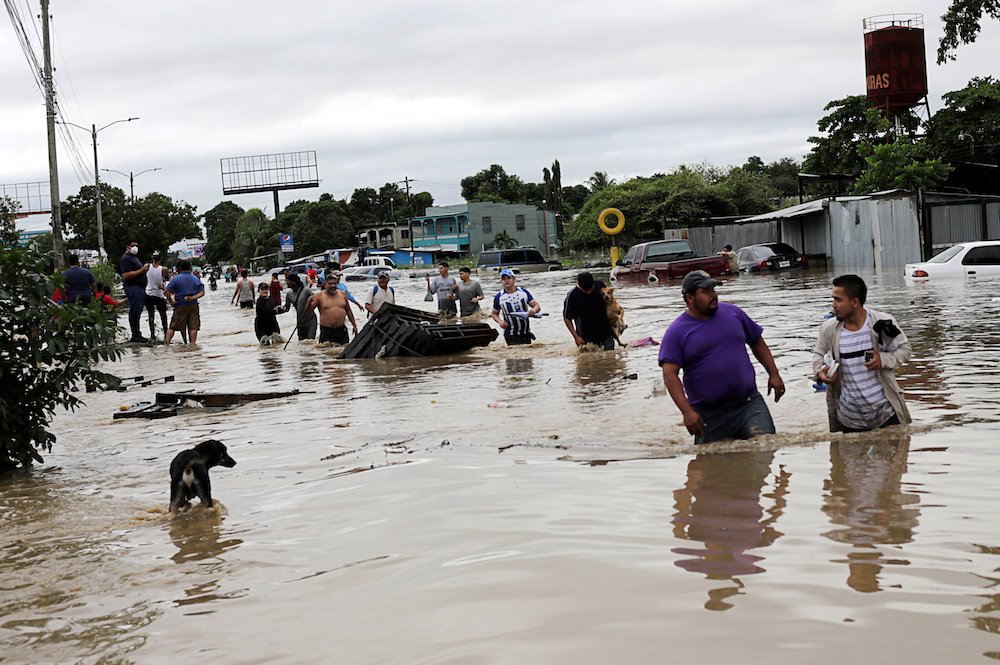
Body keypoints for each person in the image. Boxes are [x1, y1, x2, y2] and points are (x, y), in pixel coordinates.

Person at [659, 270, 785, 444]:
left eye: (714, 289)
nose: (714, 295)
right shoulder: (677, 332)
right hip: (708, 415)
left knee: (764, 448)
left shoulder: (733, 313)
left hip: (748, 404)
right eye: (706, 291)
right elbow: (670, 375)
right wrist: (687, 412)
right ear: (690, 297)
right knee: (712, 465)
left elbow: (757, 342)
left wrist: (774, 374)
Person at [812, 274, 911, 432]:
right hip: (849, 420)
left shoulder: (881, 323)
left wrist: (883, 359)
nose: (833, 305)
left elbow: (905, 350)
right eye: (833, 299)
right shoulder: (829, 329)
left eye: (838, 300)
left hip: (886, 415)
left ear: (855, 302)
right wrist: (820, 372)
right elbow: (818, 354)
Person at [562, 271, 615, 350]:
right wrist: (576, 337)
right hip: (585, 336)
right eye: (586, 290)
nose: (589, 292)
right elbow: (567, 318)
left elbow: (610, 302)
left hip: (605, 332)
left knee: (610, 358)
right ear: (579, 285)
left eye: (591, 289)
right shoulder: (572, 296)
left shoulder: (600, 286)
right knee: (589, 360)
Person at [490, 268, 541, 346]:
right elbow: (494, 314)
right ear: (501, 281)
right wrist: (500, 322)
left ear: (514, 279)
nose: (506, 280)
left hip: (526, 332)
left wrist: (533, 310)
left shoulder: (524, 292)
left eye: (509, 278)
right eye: (504, 279)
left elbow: (536, 306)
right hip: (510, 334)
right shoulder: (499, 297)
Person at [308, 274, 358, 344]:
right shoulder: (319, 296)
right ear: (325, 284)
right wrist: (308, 303)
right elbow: (309, 312)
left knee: (343, 350)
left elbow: (348, 311)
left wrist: (354, 325)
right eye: (330, 284)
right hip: (327, 331)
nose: (333, 285)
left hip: (341, 330)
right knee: (326, 352)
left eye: (335, 283)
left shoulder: (342, 294)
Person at [164, 259, 205, 345]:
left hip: (180, 305)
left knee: (173, 326)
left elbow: (166, 291)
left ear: (179, 268)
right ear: (190, 268)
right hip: (193, 305)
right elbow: (202, 293)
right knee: (193, 326)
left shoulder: (175, 279)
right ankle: (193, 344)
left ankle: (166, 344)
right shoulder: (195, 278)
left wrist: (171, 301)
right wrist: (192, 298)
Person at [119, 239, 150, 343]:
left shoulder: (133, 258)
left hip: (139, 287)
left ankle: (137, 333)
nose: (135, 247)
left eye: (137, 245)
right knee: (135, 310)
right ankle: (135, 335)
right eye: (133, 245)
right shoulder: (126, 258)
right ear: (128, 246)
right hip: (133, 287)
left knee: (138, 310)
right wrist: (142, 270)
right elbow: (126, 275)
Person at [278, 273, 317, 340]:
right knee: (302, 343)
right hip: (300, 322)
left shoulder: (306, 290)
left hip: (311, 320)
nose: (286, 283)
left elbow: (316, 300)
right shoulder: (289, 294)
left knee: (310, 340)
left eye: (287, 281)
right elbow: (287, 308)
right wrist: (279, 309)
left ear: (294, 282)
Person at [144, 250, 170, 340]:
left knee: (151, 315)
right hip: (158, 294)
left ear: (152, 258)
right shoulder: (164, 269)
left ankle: (152, 335)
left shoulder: (146, 267)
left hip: (148, 293)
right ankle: (166, 335)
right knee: (163, 315)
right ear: (161, 258)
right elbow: (162, 280)